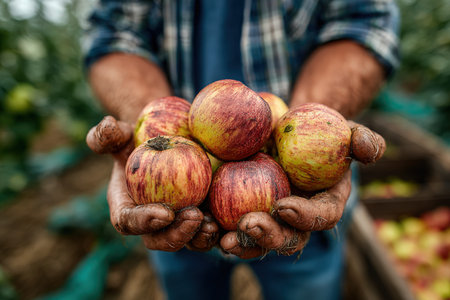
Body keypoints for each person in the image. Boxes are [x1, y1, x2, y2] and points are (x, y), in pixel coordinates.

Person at [84, 1, 399, 299]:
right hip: (180, 212)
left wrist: (317, 120)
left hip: (296, 196)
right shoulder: (173, 148)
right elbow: (112, 33)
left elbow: (366, 21)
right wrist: (143, 117)